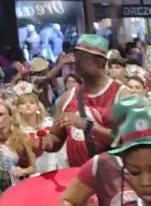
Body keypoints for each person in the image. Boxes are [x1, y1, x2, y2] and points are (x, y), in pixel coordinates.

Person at [44, 34, 120, 169]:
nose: (75, 61)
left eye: (81, 58)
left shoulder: (121, 94)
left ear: (100, 62)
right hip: (77, 179)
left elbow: (126, 139)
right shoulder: (67, 97)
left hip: (112, 179)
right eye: (75, 56)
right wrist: (47, 143)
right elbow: (56, 136)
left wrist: (87, 126)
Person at [0, 100, 37, 198]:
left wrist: (22, 171)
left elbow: (33, 167)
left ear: (11, 117)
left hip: (18, 188)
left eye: (1, 114)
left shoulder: (22, 138)